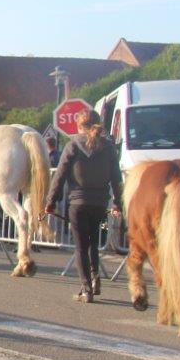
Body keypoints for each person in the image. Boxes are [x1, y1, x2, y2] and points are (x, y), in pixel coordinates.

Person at [45, 110, 123, 303]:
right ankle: (95, 280)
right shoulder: (109, 147)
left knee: (81, 247)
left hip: (78, 202)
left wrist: (50, 202)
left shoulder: (73, 146)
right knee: (93, 243)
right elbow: (116, 178)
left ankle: (86, 289)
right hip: (99, 203)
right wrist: (117, 203)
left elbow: (60, 176)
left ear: (79, 126)